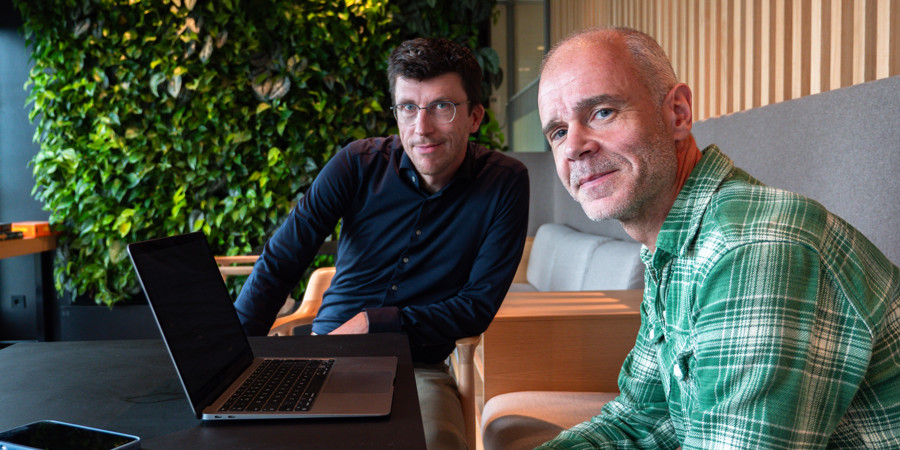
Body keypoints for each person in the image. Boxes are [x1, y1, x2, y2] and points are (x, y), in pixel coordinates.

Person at [536, 26, 900, 449]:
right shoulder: (672, 246)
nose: (574, 147)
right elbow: (641, 419)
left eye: (601, 112)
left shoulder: (751, 246)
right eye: (558, 131)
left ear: (678, 113)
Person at [234, 37, 529, 449]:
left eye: (441, 107)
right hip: (326, 355)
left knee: (433, 442)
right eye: (408, 107)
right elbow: (282, 259)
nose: (421, 128)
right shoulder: (356, 164)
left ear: (475, 116)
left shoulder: (504, 182)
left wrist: (377, 322)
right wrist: (232, 359)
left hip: (416, 366)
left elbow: (476, 306)